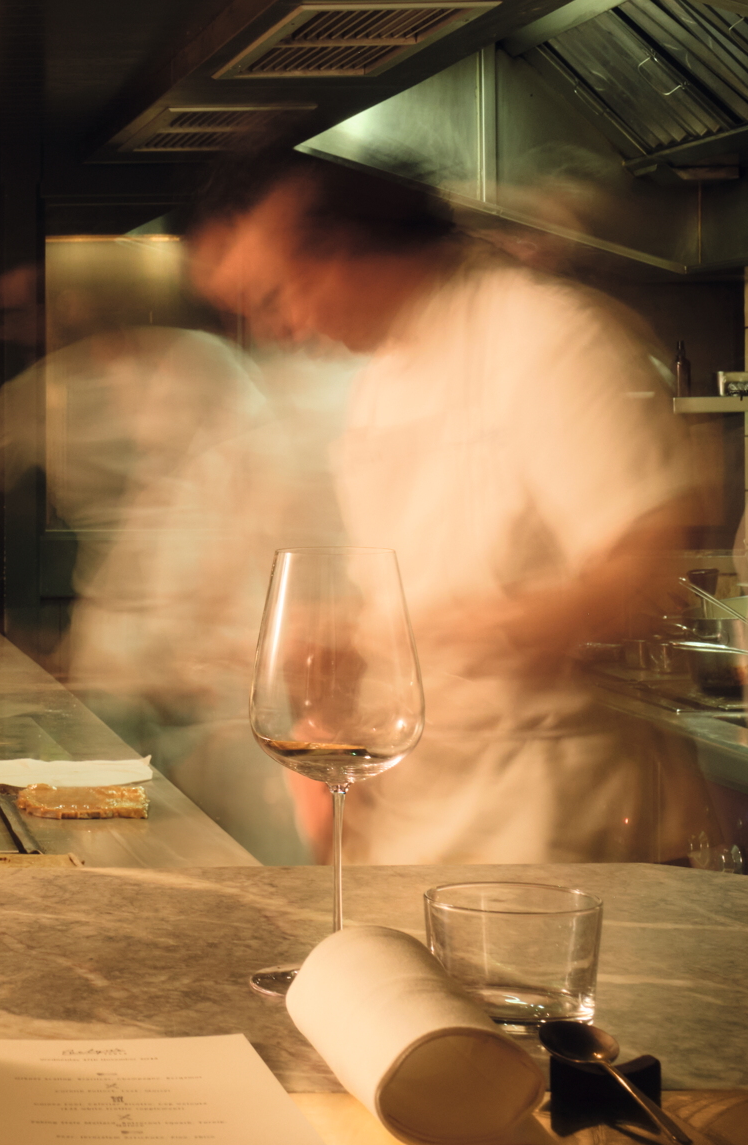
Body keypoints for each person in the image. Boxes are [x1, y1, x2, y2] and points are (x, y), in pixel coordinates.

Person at [196, 157, 705, 864]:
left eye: (282, 293)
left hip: (544, 809)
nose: (282, 328)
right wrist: (345, 669)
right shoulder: (379, 380)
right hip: (417, 793)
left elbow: (649, 562)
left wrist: (497, 627)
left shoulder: (545, 337)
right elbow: (405, 589)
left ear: (348, 251)